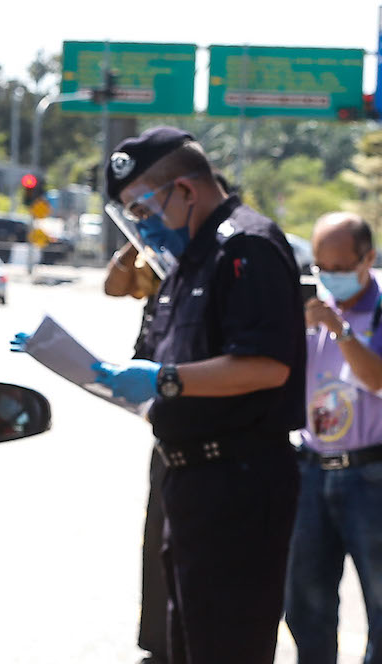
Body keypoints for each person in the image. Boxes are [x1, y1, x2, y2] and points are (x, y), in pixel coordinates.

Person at [92, 126, 305, 663]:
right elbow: (158, 350)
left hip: (240, 483)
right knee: (186, 644)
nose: (143, 225)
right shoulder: (188, 260)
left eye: (143, 208)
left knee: (226, 645)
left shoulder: (245, 245)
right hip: (191, 481)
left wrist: (165, 382)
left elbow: (266, 365)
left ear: (185, 189)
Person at [285, 212, 382, 663]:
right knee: (306, 607)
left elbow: (376, 379)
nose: (331, 280)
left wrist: (339, 330)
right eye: (323, 269)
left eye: (342, 269)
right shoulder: (310, 305)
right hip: (311, 472)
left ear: (369, 259)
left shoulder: (373, 310)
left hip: (370, 476)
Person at [103, 242, 168, 664]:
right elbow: (114, 286)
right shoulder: (156, 259)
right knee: (159, 540)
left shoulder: (199, 264)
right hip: (165, 426)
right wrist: (134, 239)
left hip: (197, 421)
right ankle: (159, 643)